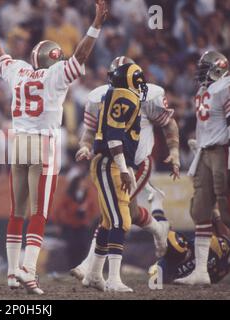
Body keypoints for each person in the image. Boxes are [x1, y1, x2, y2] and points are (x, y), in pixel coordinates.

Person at [0, 0, 108, 295]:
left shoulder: (18, 71)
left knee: (16, 211)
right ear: (54, 59)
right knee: (39, 212)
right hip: (44, 144)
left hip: (17, 143)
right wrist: (95, 25)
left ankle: (10, 272)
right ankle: (28, 271)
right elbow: (82, 53)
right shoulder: (56, 75)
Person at [71, 56, 180, 282]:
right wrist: (84, 147)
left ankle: (89, 267)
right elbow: (89, 132)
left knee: (113, 215)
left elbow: (168, 123)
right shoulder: (99, 97)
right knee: (124, 213)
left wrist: (175, 150)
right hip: (112, 163)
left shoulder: (150, 96)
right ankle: (158, 230)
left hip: (138, 163)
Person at [85, 62, 148, 292]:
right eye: (139, 81)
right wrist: (123, 167)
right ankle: (113, 279)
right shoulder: (124, 96)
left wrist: (126, 165)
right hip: (110, 162)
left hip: (113, 162)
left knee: (108, 221)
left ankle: (93, 275)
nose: (141, 85)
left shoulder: (115, 94)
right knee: (121, 220)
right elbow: (113, 137)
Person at [176, 51, 230, 285]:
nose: (200, 72)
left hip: (222, 151)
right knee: (200, 210)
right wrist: (198, 146)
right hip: (205, 151)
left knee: (227, 207)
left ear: (218, 69)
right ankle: (200, 271)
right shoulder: (202, 91)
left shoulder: (226, 86)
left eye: (205, 67)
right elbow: (205, 125)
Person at [149, 209, 230, 284]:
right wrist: (217, 218)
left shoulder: (161, 269)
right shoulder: (209, 243)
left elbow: (153, 275)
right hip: (221, 269)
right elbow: (226, 239)